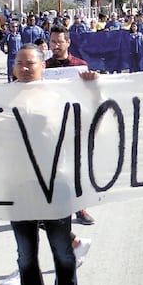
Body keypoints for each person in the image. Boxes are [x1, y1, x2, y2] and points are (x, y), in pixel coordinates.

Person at [5, 44, 97, 285]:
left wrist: (91, 90)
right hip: (19, 186)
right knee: (26, 254)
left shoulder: (58, 96)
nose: (24, 67)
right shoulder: (2, 98)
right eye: (19, 62)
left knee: (62, 251)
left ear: (42, 66)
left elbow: (87, 119)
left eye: (30, 62)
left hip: (55, 183)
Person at [47, 25, 96, 225]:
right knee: (52, 169)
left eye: (59, 41)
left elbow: (88, 95)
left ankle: (80, 208)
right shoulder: (43, 67)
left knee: (75, 168)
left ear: (68, 42)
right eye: (52, 42)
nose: (56, 45)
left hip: (73, 124)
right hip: (49, 125)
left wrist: (90, 82)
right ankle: (50, 210)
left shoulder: (79, 66)